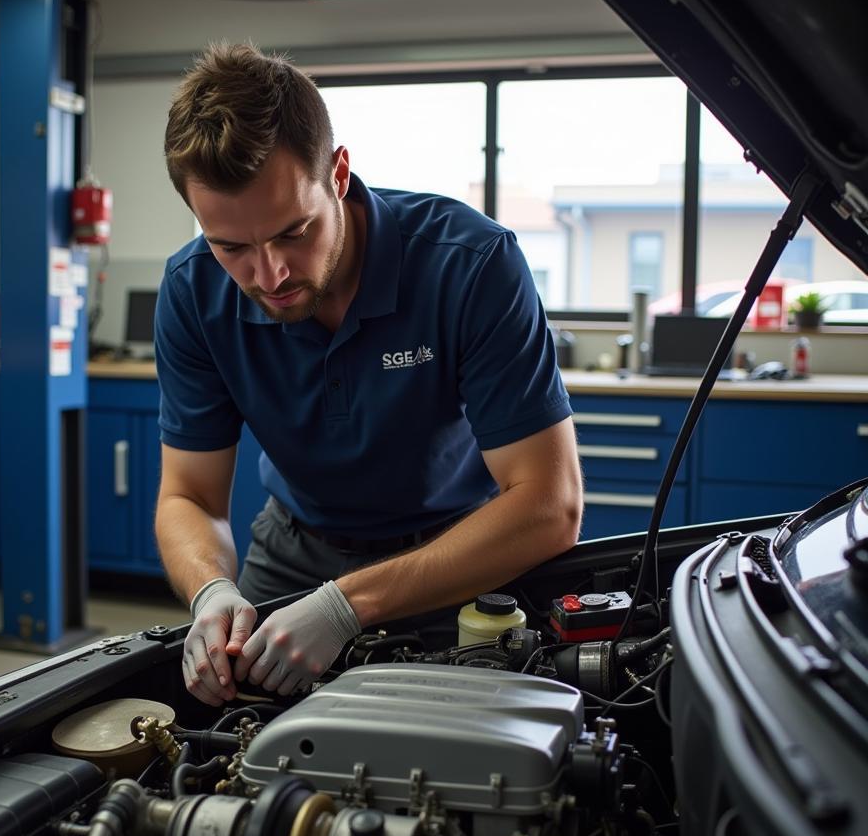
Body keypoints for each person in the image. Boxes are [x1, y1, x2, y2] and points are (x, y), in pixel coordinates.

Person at [155, 42, 582, 707]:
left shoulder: (469, 264)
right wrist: (211, 588)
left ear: (340, 174)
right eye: (231, 246)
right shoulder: (192, 292)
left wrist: (346, 607)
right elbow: (189, 497)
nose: (269, 276)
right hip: (292, 551)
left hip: (453, 558)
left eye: (294, 232)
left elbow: (550, 506)